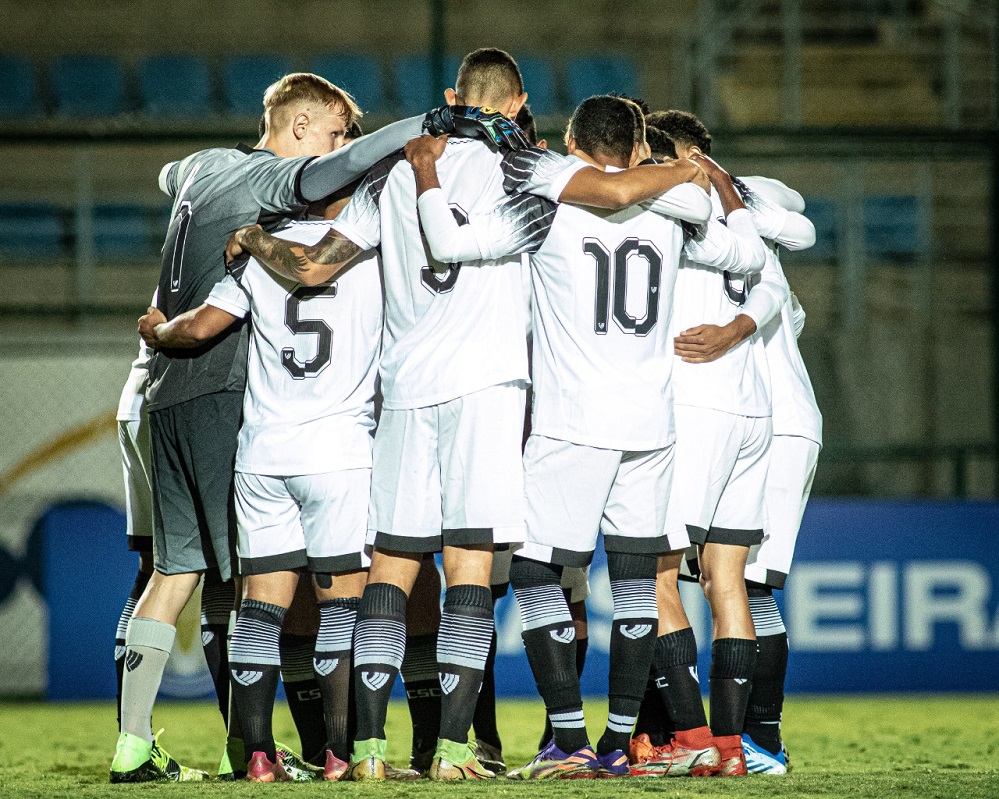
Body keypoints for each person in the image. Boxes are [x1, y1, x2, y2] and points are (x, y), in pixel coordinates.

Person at [224, 48, 711, 782]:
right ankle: (455, 749)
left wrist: (255, 238)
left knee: (392, 565)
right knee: (469, 569)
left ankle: (364, 751)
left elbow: (314, 265)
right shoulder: (528, 175)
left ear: (453, 96)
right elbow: (615, 194)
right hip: (487, 388)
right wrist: (686, 170)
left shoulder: (389, 175)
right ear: (516, 106)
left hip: (405, 390)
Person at [110, 71, 497, 784]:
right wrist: (435, 124)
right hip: (308, 438)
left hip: (212, 421)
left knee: (217, 585)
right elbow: (339, 255)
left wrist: (159, 333)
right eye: (335, 133)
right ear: (299, 129)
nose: (341, 149)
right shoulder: (349, 242)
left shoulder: (230, 210)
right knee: (335, 597)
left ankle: (208, 748)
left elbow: (197, 317)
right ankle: (344, 753)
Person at [406, 93, 767, 779]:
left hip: (573, 420)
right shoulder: (677, 208)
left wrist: (426, 174)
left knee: (540, 569)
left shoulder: (547, 200)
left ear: (573, 144)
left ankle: (568, 739)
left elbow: (449, 242)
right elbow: (746, 251)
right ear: (637, 149)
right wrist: (711, 180)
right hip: (650, 422)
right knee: (635, 579)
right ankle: (622, 738)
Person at [648, 111, 819, 775]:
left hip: (753, 415)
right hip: (754, 412)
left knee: (707, 577)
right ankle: (732, 742)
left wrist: (724, 183)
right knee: (731, 580)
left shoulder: (721, 207)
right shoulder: (742, 224)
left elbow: (797, 215)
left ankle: (748, 740)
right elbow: (791, 231)